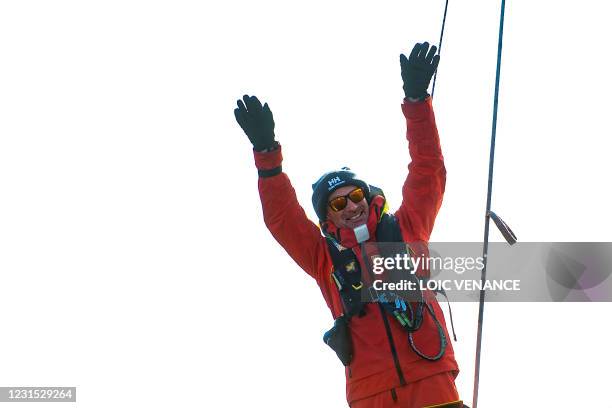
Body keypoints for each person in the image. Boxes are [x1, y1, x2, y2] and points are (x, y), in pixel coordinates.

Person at [234, 42, 465, 408]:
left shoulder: (406, 228)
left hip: (431, 382)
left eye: (356, 195)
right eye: (339, 203)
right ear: (328, 218)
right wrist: (267, 155)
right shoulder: (323, 258)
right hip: (370, 396)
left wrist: (417, 101)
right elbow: (282, 218)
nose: (352, 206)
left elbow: (428, 169)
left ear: (369, 197)